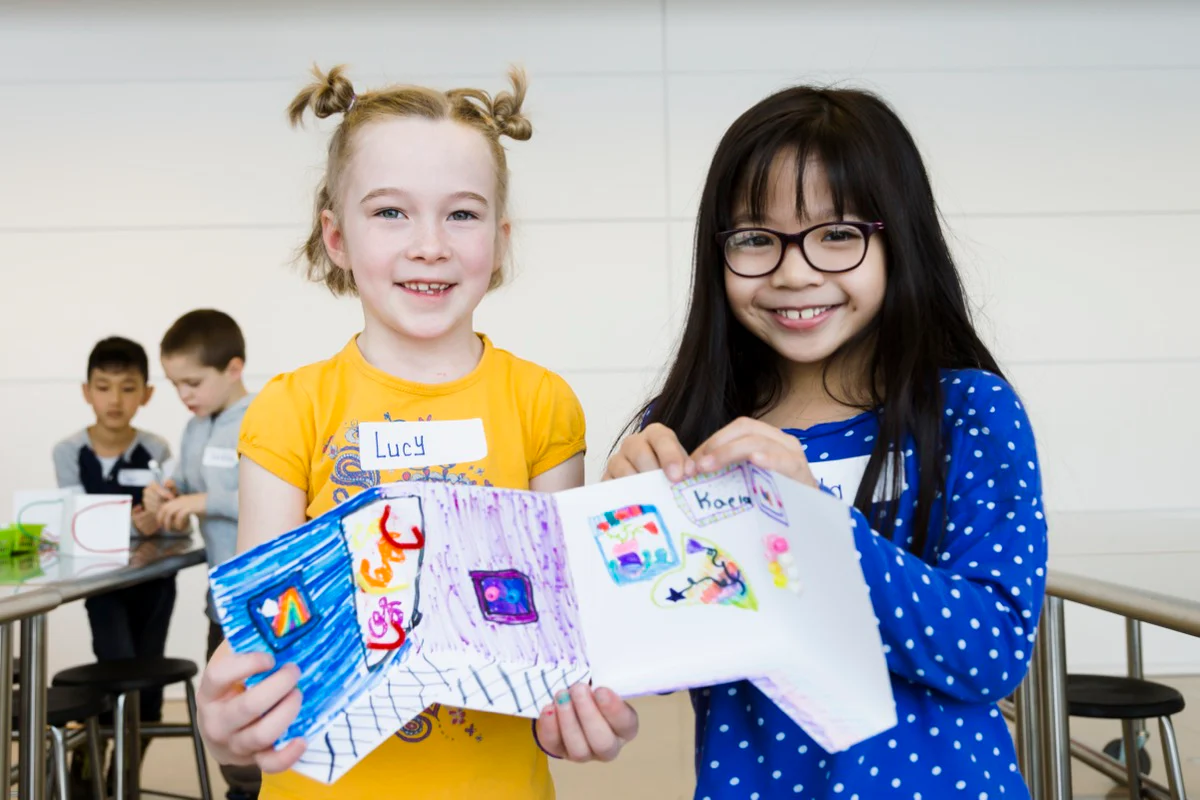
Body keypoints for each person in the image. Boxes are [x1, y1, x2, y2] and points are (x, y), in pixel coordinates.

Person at [194, 65, 639, 799]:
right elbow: (266, 639)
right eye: (391, 213)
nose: (429, 245)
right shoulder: (287, 408)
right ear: (335, 237)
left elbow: (560, 637)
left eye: (461, 215)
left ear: (498, 240)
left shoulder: (543, 404)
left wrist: (586, 707)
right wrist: (232, 716)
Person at [605, 84, 1048, 798]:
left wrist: (812, 525)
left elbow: (991, 652)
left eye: (837, 234)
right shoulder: (689, 429)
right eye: (755, 239)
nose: (794, 271)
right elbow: (661, 654)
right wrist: (625, 542)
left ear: (897, 239)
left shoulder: (969, 411)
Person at [142, 308, 260, 799]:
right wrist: (165, 494)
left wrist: (204, 501)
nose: (184, 395)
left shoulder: (262, 417)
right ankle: (241, 789)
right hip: (221, 600)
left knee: (263, 707)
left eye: (192, 382)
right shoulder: (196, 427)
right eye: (174, 385)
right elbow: (186, 484)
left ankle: (258, 790)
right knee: (226, 709)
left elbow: (279, 499)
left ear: (233, 368)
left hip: (264, 599)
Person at [52, 336, 175, 789]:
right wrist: (131, 521)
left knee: (150, 689)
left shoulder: (157, 448)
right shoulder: (68, 452)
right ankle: (91, 772)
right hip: (100, 587)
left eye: (128, 388)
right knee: (116, 673)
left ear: (146, 394)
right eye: (104, 387)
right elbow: (71, 522)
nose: (115, 399)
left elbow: (172, 524)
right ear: (87, 392)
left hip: (155, 584)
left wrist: (158, 518)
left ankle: (123, 777)